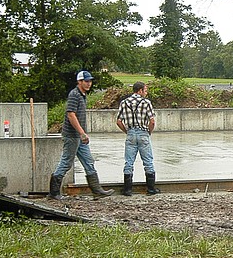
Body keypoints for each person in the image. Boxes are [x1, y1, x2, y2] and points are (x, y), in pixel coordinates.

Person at [48, 71, 113, 200]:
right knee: (66, 162)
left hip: (78, 136)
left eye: (90, 81)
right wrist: (81, 132)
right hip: (72, 136)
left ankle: (97, 190)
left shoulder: (82, 95)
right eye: (86, 81)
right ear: (79, 82)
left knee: (89, 161)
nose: (89, 83)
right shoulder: (74, 95)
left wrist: (82, 134)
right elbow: (71, 114)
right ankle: (54, 193)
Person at [116, 81, 160, 196]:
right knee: (148, 161)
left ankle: (127, 190)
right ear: (139, 90)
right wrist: (148, 132)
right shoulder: (146, 103)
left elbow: (118, 121)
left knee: (129, 162)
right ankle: (151, 189)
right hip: (143, 133)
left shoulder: (124, 102)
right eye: (145, 90)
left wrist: (127, 132)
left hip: (130, 133)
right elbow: (152, 121)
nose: (146, 93)